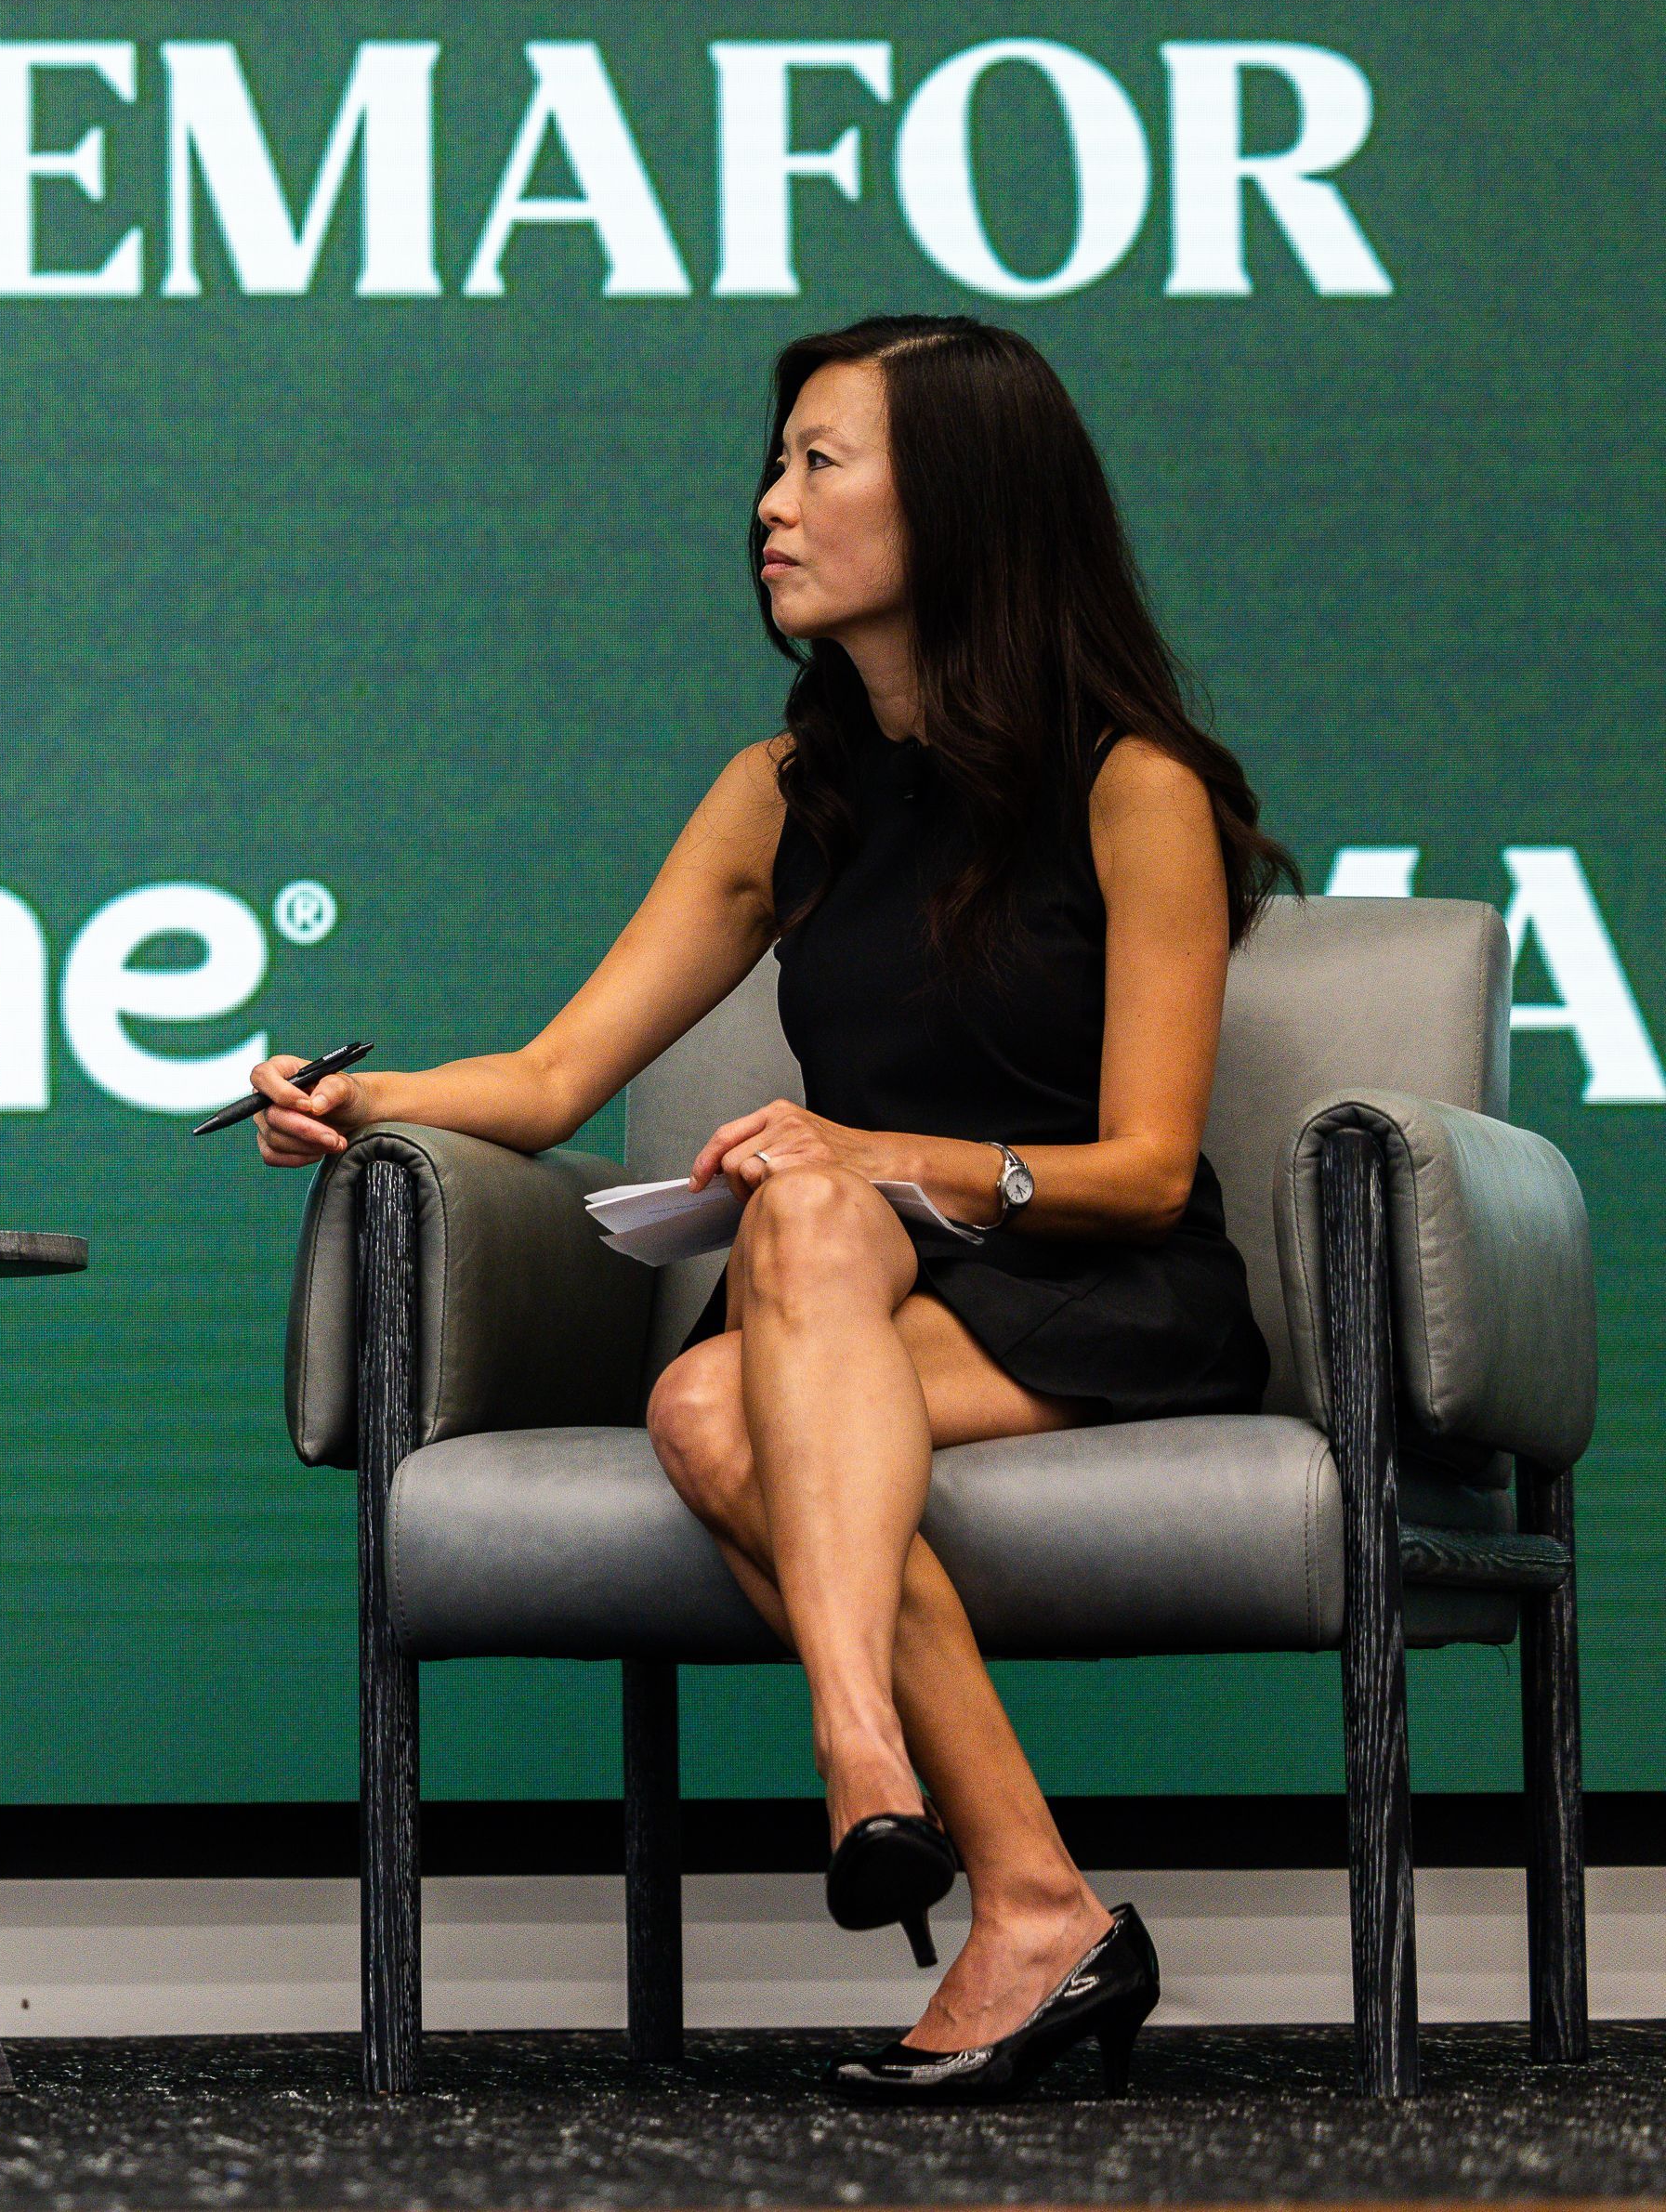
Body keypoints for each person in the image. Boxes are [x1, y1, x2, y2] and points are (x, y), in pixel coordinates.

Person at [249, 315, 1294, 2103]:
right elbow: (555, 1077)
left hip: (1095, 1283)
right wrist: (367, 1099)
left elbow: (1140, 1166)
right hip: (861, 1299)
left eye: (822, 463)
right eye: (776, 462)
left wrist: (876, 1156)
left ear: (960, 505)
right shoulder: (782, 793)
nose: (769, 505)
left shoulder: (1136, 785)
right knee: (724, 1359)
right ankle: (1028, 1893)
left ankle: (863, 1761)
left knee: (756, 1309)